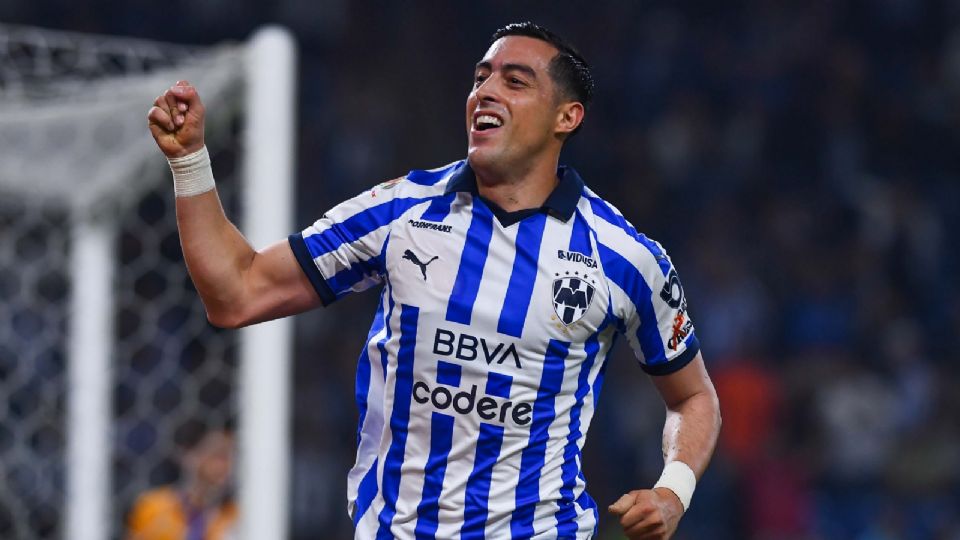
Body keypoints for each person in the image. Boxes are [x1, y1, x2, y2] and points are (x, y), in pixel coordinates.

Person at [147, 21, 721, 540]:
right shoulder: (402, 210)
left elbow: (695, 397)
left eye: (515, 81)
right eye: (481, 77)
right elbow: (237, 292)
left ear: (566, 118)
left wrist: (673, 491)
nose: (486, 92)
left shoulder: (623, 258)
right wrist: (190, 162)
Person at [126, 426, 237, 540]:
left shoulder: (234, 515)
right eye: (219, 456)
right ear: (190, 455)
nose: (228, 465)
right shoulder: (154, 507)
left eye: (233, 458)